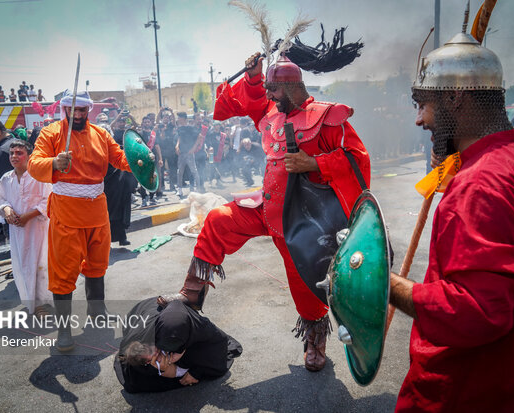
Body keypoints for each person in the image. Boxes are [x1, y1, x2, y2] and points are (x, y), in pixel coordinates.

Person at [159, 53, 370, 372]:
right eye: (268, 89)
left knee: (306, 287)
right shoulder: (273, 112)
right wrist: (255, 77)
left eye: (274, 89)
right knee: (217, 221)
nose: (269, 95)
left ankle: (315, 341)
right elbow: (241, 105)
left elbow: (358, 160)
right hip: (265, 205)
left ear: (291, 87)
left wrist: (315, 163)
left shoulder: (326, 116)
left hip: (302, 221)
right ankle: (191, 293)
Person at [390, 25, 514, 411]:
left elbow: (478, 311)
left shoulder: (482, 183)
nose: (419, 120)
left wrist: (389, 286)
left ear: (455, 97)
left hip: (472, 390)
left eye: (423, 104)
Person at [28, 89, 133, 352]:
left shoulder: (101, 133)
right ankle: (64, 330)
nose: (78, 114)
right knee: (63, 271)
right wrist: (54, 162)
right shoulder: (51, 133)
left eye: (83, 110)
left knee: (98, 263)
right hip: (67, 212)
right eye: (73, 110)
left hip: (97, 209)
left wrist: (138, 159)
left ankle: (97, 309)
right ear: (65, 109)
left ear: (89, 110)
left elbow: (119, 158)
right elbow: (34, 163)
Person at [114, 298, 242, 393]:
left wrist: (197, 372)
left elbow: (218, 346)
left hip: (178, 320)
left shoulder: (201, 328)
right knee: (139, 382)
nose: (167, 352)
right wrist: (157, 368)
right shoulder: (141, 335)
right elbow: (130, 365)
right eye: (160, 349)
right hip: (143, 310)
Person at [0, 140, 52, 316]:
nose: (14, 156)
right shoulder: (6, 178)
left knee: (41, 264)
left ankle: (42, 303)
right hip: (18, 232)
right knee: (22, 266)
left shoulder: (38, 176)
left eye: (19, 153)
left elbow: (49, 200)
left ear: (29, 155)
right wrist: (7, 210)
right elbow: (0, 200)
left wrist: (29, 216)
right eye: (12, 153)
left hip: (39, 229)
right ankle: (31, 302)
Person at [104, 111, 138, 245]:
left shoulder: (120, 139)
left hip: (119, 177)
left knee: (122, 205)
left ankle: (122, 237)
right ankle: (106, 240)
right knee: (108, 211)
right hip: (105, 184)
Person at [175, 112, 203, 198]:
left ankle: (198, 189)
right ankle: (179, 190)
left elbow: (200, 137)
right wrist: (177, 146)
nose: (178, 119)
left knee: (194, 171)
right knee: (180, 171)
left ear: (183, 118)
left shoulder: (191, 128)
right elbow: (180, 137)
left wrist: (194, 148)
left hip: (189, 154)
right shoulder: (180, 128)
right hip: (181, 153)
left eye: (179, 117)